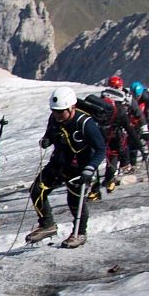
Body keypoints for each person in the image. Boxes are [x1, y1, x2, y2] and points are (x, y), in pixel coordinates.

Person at [26, 86, 106, 248]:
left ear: (72, 108)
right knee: (37, 190)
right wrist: (46, 141)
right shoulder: (54, 118)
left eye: (60, 112)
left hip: (79, 169)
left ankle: (80, 233)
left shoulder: (85, 123)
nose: (57, 115)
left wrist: (90, 168)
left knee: (74, 201)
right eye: (54, 111)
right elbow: (49, 135)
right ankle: (47, 224)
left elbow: (101, 149)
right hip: (58, 164)